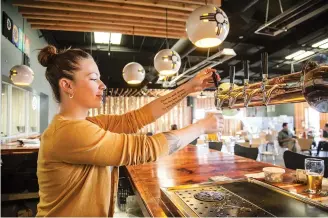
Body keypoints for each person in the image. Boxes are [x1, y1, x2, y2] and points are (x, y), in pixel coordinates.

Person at [36, 45, 224, 217]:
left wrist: (188, 87)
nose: (103, 85)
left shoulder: (87, 124)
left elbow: (135, 119)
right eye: (93, 78)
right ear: (67, 85)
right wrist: (201, 126)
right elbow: (146, 148)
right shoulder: (69, 133)